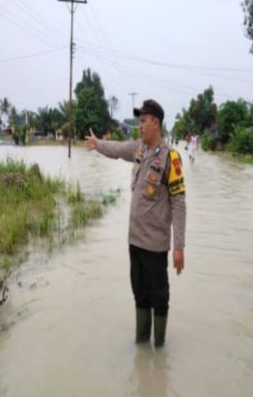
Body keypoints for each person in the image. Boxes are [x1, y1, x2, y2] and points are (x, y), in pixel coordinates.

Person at [85, 99, 186, 348]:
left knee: (159, 297)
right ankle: (142, 345)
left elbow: (179, 203)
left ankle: (159, 346)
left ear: (155, 123)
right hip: (135, 242)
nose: (139, 126)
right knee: (140, 295)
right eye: (139, 121)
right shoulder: (139, 149)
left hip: (155, 245)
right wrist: (98, 144)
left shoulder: (170, 158)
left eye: (143, 121)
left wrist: (179, 246)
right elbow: (118, 149)